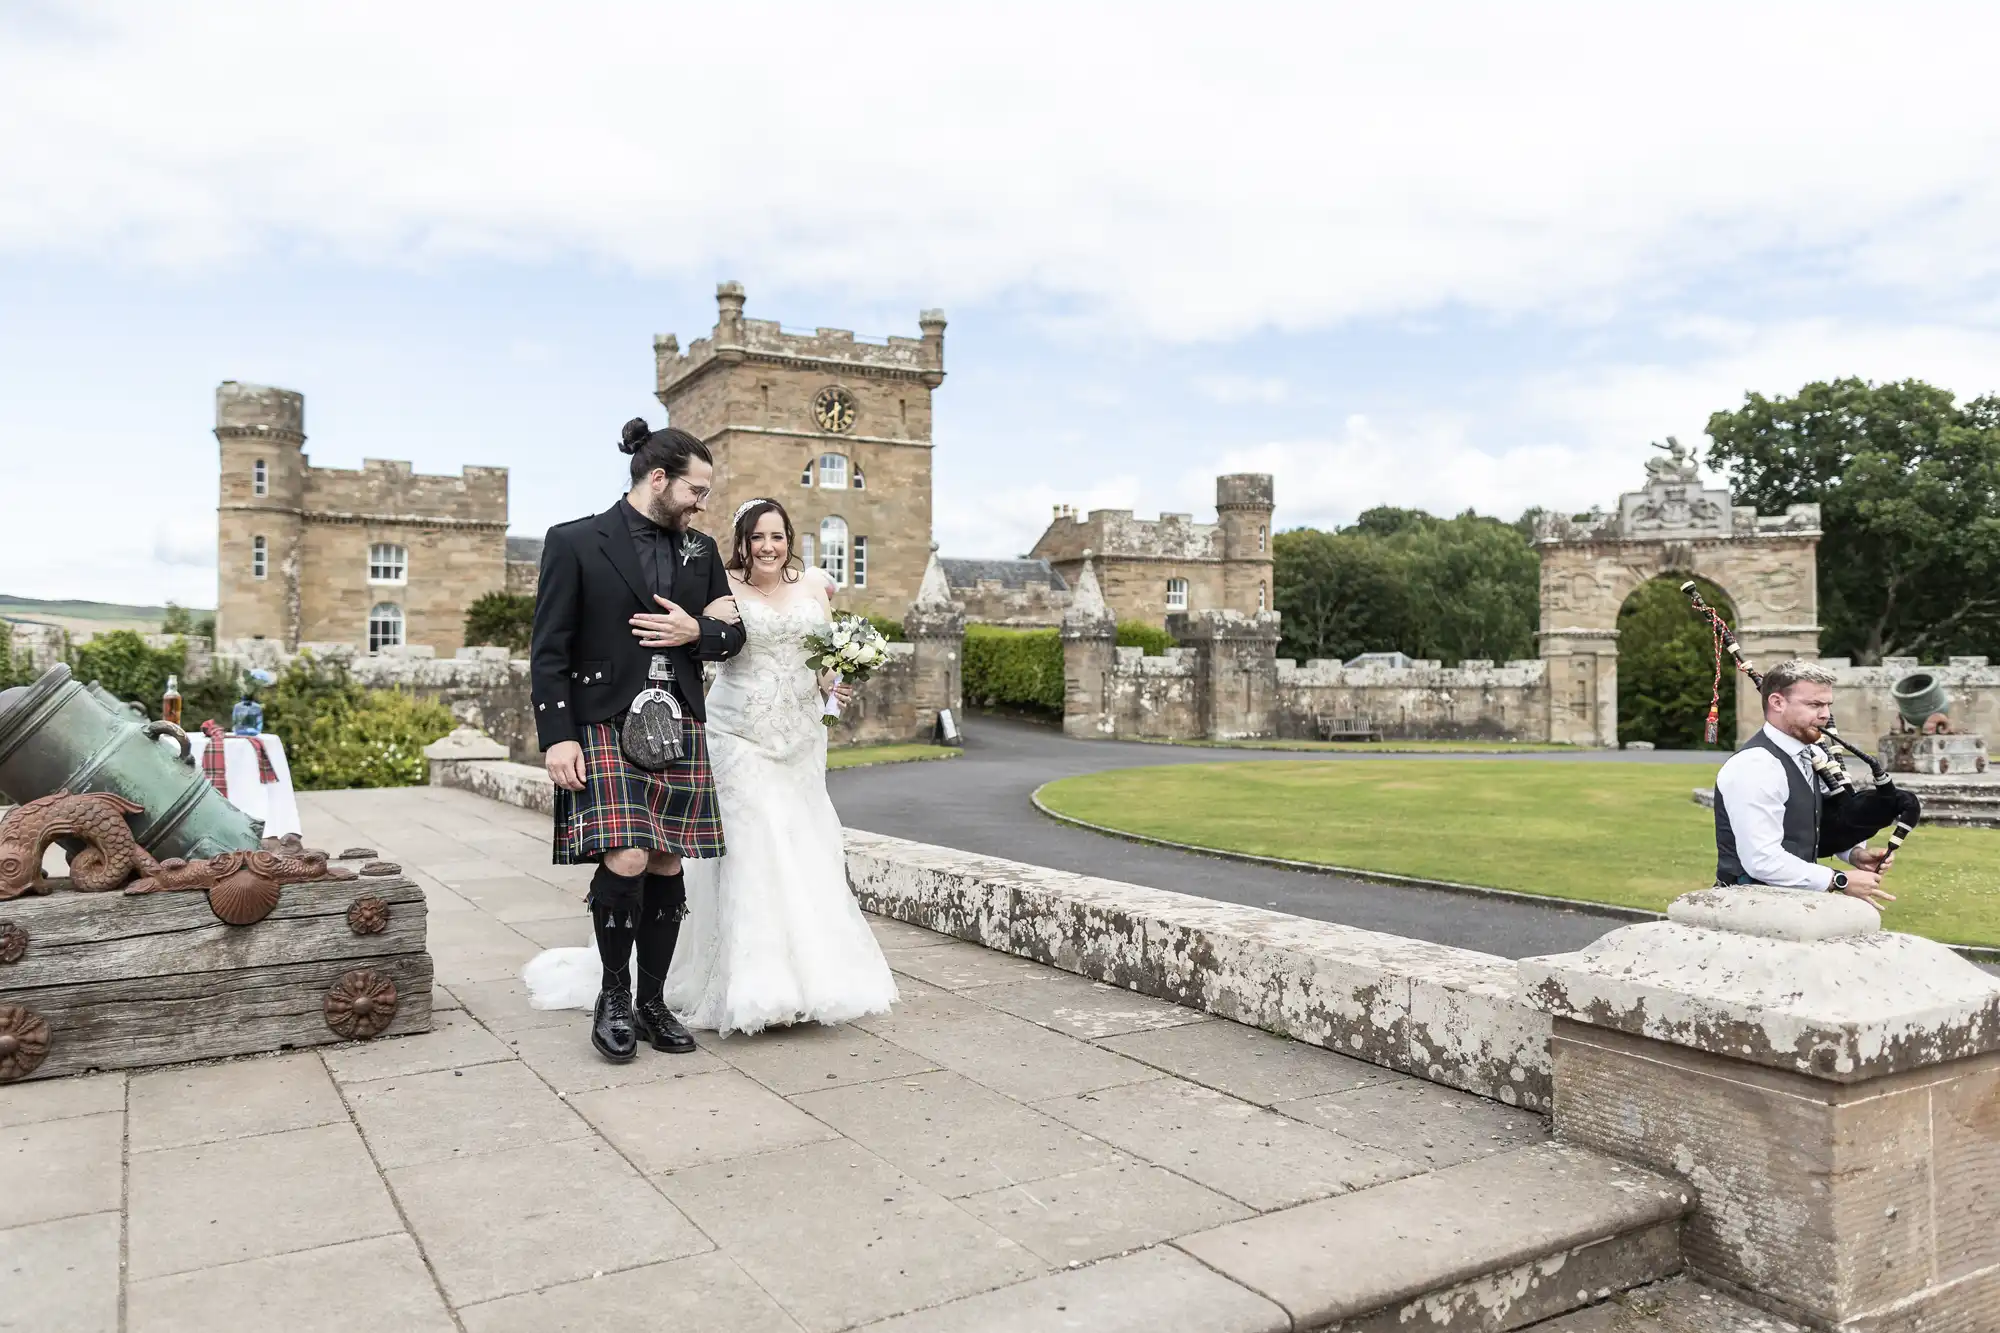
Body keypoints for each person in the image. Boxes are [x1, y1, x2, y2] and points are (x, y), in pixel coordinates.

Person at [525, 497, 898, 1036]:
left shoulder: (816, 588)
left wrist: (836, 678)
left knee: (805, 846)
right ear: (741, 542)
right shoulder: (716, 580)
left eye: (777, 536)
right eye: (757, 537)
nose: (768, 547)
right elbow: (709, 644)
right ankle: (748, 985)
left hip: (799, 737)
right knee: (751, 849)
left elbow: (819, 658)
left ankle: (813, 980)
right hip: (738, 734)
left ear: (790, 538)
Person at [522, 418, 746, 1063]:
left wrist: (693, 636)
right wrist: (557, 737)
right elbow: (548, 650)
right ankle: (614, 997)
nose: (703, 502)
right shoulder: (575, 542)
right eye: (695, 489)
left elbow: (733, 638)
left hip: (678, 724)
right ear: (658, 479)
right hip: (603, 721)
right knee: (624, 856)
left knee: (667, 860)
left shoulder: (700, 553)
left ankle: (653, 1002)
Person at [1713, 659, 1895, 908]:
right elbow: (1762, 860)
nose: (1825, 715)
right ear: (1777, 702)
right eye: (1814, 705)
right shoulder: (1756, 765)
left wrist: (1853, 853)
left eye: (1828, 705)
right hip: (1749, 908)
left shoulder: (1811, 755)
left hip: (1795, 902)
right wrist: (1838, 880)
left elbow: (1814, 824)